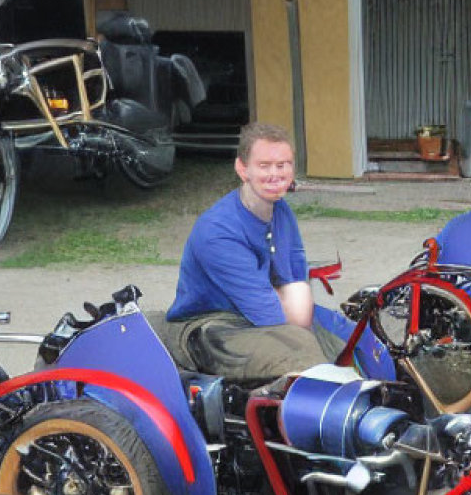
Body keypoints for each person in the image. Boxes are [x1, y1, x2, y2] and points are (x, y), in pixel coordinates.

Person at [162, 122, 393, 383]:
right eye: (264, 166)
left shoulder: (281, 212)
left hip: (273, 307)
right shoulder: (218, 231)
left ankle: (390, 402)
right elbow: (269, 315)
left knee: (361, 337)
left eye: (283, 165)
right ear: (242, 169)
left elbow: (295, 278)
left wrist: (298, 301)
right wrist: (296, 301)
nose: (275, 174)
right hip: (214, 325)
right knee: (305, 354)